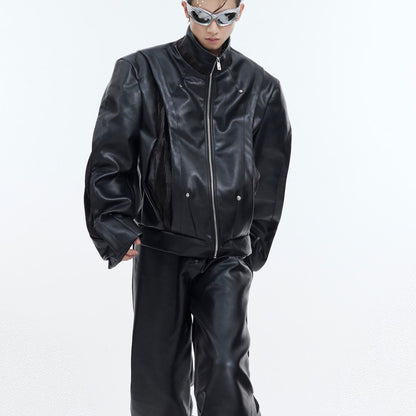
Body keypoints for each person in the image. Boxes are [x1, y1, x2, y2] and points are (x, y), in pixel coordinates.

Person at [83, 0, 292, 415]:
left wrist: (252, 247)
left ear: (240, 11)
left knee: (227, 374)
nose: (213, 28)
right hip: (161, 249)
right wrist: (114, 223)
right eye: (202, 15)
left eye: (225, 16)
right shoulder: (143, 71)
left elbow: (270, 176)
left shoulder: (261, 87)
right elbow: (110, 154)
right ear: (185, 9)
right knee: (157, 383)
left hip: (227, 255)